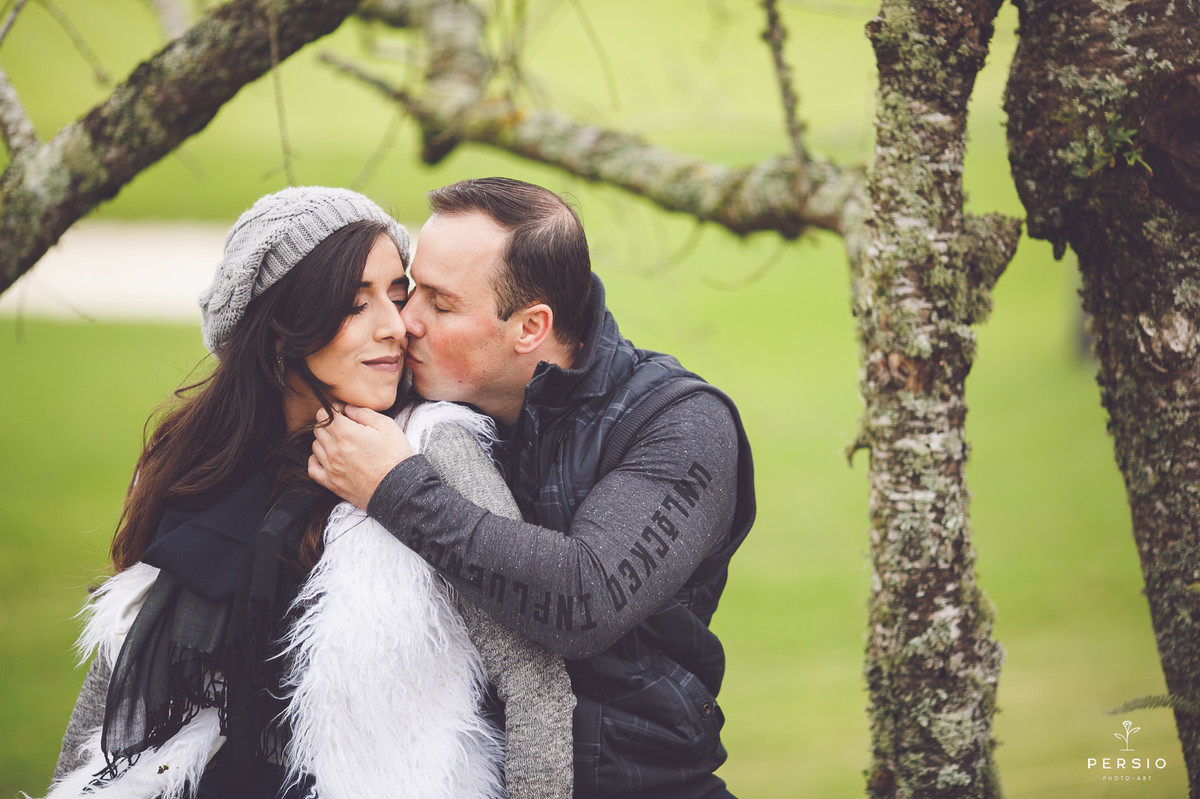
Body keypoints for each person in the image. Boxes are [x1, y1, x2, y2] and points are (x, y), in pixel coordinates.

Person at [40, 186, 574, 799]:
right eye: (355, 304)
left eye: (396, 295)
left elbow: (536, 685)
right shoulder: (200, 463)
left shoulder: (435, 449)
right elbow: (115, 677)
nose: (395, 327)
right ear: (280, 330)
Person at [309, 177, 756, 799]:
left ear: (530, 327)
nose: (405, 323)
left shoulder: (680, 423)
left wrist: (395, 488)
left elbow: (584, 601)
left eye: (439, 304)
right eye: (412, 289)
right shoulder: (427, 399)